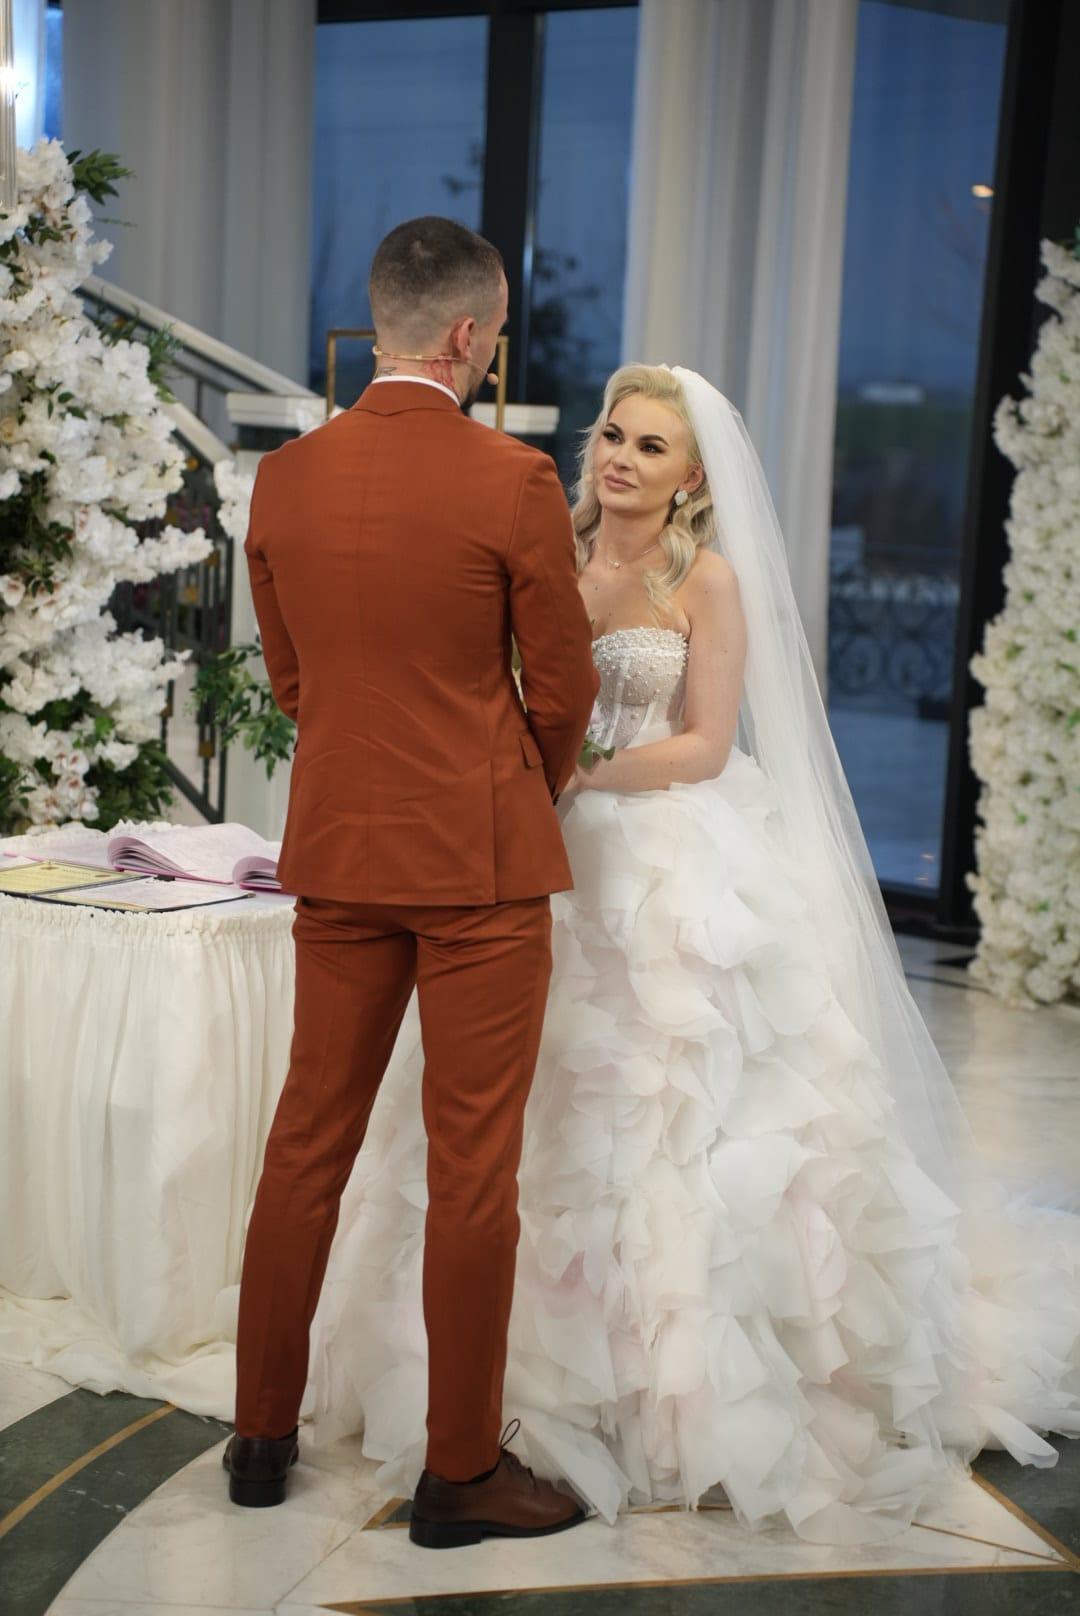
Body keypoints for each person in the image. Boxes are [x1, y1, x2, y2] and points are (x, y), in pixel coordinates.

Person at [305, 363, 1080, 1545]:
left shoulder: (705, 580)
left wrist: (581, 773)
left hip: (662, 852)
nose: (620, 458)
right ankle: (479, 1376)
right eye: (613, 435)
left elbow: (709, 743)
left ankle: (668, 1388)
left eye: (650, 447)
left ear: (693, 477)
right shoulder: (547, 548)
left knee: (674, 1099)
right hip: (520, 845)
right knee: (505, 1111)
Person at [224, 216, 599, 1550]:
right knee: (473, 1168)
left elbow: (293, 678)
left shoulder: (285, 480)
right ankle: (460, 1472)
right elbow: (564, 684)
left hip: (342, 846)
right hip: (478, 862)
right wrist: (514, 782)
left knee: (304, 1142)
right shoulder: (514, 478)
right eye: (490, 340)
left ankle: (258, 1438)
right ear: (466, 334)